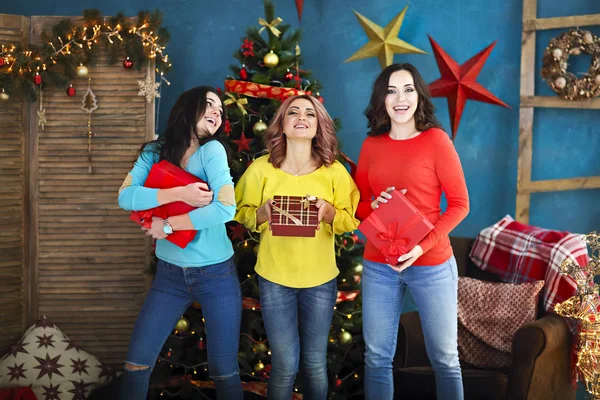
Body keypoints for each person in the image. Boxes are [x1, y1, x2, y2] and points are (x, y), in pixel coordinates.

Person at [117, 86, 243, 400]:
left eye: (220, 109)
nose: (217, 112)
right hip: (170, 277)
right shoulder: (153, 152)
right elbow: (126, 197)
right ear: (188, 107)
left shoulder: (211, 151)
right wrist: (179, 194)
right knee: (135, 365)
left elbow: (226, 208)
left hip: (216, 276)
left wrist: (169, 225)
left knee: (224, 372)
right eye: (209, 104)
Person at [355, 63, 470, 400]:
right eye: (391, 91)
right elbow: (360, 204)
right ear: (382, 99)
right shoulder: (371, 145)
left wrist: (421, 247)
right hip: (379, 265)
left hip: (431, 264)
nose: (400, 98)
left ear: (419, 96)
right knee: (376, 358)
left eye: (407, 89)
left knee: (445, 360)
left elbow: (460, 204)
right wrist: (376, 204)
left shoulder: (436, 140)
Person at [234, 94, 359, 400]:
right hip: (275, 278)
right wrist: (262, 212)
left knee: (315, 364)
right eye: (294, 112)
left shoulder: (334, 172)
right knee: (285, 365)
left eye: (310, 114)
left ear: (318, 127)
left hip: (320, 279)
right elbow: (240, 211)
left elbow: (351, 219)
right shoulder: (261, 169)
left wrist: (329, 212)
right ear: (283, 124)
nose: (302, 117)